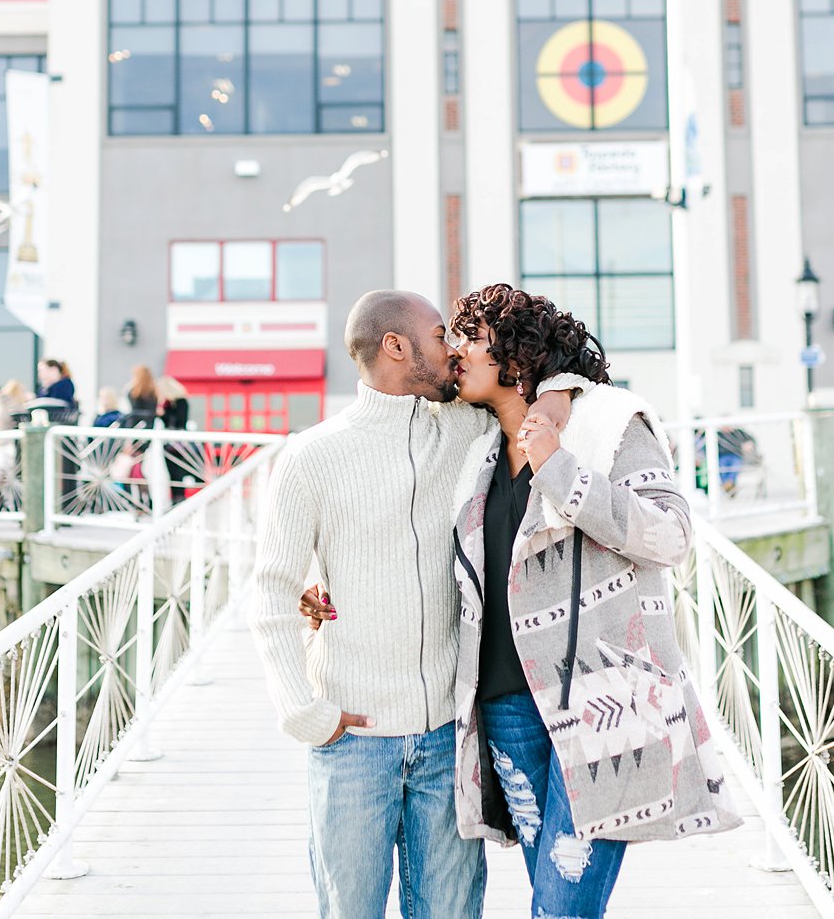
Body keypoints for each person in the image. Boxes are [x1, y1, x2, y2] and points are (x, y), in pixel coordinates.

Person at [251, 290, 575, 919]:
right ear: (395, 347)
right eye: (437, 335)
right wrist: (303, 712)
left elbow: (557, 363)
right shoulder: (310, 457)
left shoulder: (467, 427)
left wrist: (558, 396)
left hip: (446, 738)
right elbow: (271, 591)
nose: (453, 348)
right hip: (352, 742)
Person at [442, 284, 738, 916]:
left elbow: (671, 534)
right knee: (557, 903)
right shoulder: (478, 450)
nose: (455, 349)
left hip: (606, 703)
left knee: (559, 907)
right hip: (506, 707)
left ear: (517, 354)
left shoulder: (609, 424)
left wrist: (560, 468)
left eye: (470, 335)